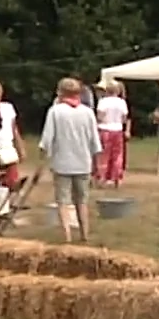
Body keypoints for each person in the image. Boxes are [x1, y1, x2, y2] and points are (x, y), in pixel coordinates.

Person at [40, 78, 101, 242]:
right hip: (83, 163)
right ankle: (84, 233)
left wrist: (43, 155)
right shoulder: (87, 112)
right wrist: (96, 164)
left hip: (62, 163)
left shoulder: (55, 111)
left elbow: (47, 138)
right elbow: (94, 141)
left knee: (63, 201)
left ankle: (67, 235)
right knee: (82, 201)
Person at [95, 80, 129, 187]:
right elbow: (124, 118)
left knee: (104, 154)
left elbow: (100, 116)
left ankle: (102, 177)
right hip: (117, 129)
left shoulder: (103, 101)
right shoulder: (122, 102)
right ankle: (117, 177)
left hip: (105, 129)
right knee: (117, 155)